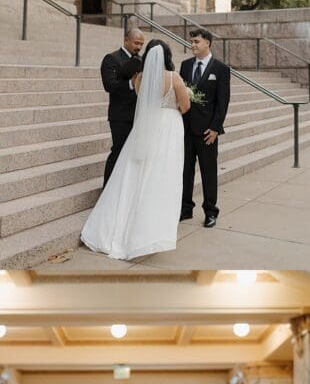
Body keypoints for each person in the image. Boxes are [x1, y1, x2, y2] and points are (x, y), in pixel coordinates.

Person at [81, 40, 190, 260]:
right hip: (168, 129)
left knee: (133, 175)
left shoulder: (139, 78)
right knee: (161, 175)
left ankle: (114, 228)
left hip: (144, 128)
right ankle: (150, 230)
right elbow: (185, 106)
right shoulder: (174, 78)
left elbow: (143, 101)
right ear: (168, 56)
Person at [180, 29, 230, 228]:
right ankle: (185, 209)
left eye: (196, 41)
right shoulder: (185, 66)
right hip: (186, 128)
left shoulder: (221, 69)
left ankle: (210, 211)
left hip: (208, 131)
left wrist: (216, 128)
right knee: (185, 171)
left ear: (207, 43)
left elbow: (223, 101)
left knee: (208, 172)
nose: (193, 45)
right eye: (191, 41)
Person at [100, 27, 145, 187]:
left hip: (138, 115)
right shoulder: (111, 59)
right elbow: (109, 85)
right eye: (136, 43)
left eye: (141, 44)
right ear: (126, 40)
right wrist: (131, 84)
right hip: (120, 116)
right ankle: (107, 189)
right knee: (118, 151)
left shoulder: (141, 60)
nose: (139, 47)